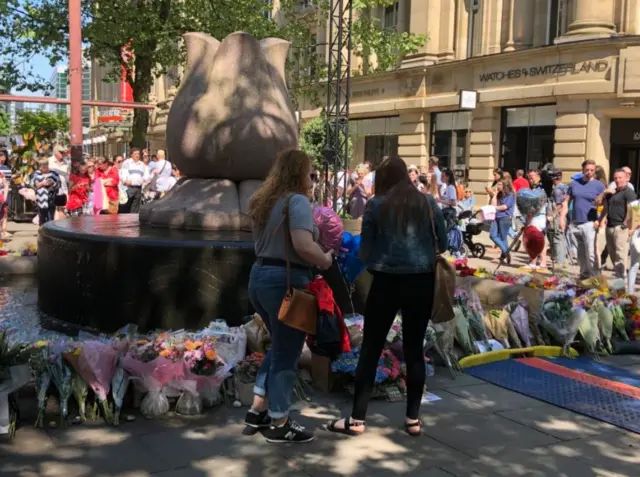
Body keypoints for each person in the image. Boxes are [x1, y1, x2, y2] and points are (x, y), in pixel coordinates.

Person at [327, 156, 446, 438]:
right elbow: (442, 240)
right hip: (421, 282)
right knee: (415, 350)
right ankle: (413, 419)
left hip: (386, 282)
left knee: (371, 349)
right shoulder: (428, 203)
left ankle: (357, 419)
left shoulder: (377, 205)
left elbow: (365, 252)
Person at [246, 149, 333, 444]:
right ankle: (280, 421)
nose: (312, 179)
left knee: (280, 346)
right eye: (310, 173)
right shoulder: (296, 201)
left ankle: (257, 408)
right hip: (286, 283)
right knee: (288, 354)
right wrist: (325, 260)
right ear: (299, 174)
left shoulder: (263, 200)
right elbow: (303, 245)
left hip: (259, 278)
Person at [562, 160, 605, 279]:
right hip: (575, 223)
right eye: (587, 170)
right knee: (580, 254)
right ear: (583, 170)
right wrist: (562, 218)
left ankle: (595, 277)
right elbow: (566, 201)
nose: (589, 172)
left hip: (590, 223)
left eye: (592, 170)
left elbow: (604, 205)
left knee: (591, 253)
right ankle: (584, 276)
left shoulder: (599, 186)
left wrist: (600, 220)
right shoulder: (574, 184)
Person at [601, 168, 636, 280]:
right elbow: (601, 206)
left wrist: (627, 225)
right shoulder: (611, 192)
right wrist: (604, 193)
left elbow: (635, 210)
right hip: (609, 226)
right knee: (613, 255)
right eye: (615, 178)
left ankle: (621, 281)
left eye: (620, 177)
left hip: (620, 227)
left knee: (621, 255)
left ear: (626, 178)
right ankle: (618, 279)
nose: (617, 180)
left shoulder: (629, 192)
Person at [489, 176, 515, 263]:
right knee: (492, 235)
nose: (498, 186)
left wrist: (495, 207)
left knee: (503, 238)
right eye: (498, 184)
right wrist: (495, 194)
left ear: (505, 184)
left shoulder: (511, 194)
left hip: (505, 218)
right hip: (496, 217)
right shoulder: (500, 193)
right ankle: (505, 251)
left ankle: (504, 256)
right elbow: (493, 204)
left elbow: (505, 206)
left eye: (500, 184)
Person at [547, 169, 569, 267]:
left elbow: (559, 205)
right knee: (561, 237)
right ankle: (563, 259)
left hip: (557, 217)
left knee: (557, 238)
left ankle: (560, 261)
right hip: (563, 216)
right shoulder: (565, 187)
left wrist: (552, 215)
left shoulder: (557, 190)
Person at [31, 158, 60, 226]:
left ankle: (50, 232)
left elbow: (58, 184)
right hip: (40, 199)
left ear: (48, 164)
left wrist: (52, 183)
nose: (43, 166)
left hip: (51, 198)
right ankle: (42, 231)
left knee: (50, 217)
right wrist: (43, 183)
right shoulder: (36, 174)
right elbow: (33, 185)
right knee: (42, 217)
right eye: (41, 164)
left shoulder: (53, 173)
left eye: (45, 164)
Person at [120, 148, 149, 213]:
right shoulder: (127, 163)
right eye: (135, 154)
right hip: (129, 188)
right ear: (131, 155)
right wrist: (125, 181)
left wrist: (144, 181)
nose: (137, 155)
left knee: (135, 207)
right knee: (127, 205)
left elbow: (145, 176)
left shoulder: (142, 164)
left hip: (138, 188)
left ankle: (133, 220)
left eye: (138, 154)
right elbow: (123, 174)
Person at [48, 144, 70, 220]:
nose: (63, 154)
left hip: (63, 190)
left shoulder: (66, 162)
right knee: (52, 211)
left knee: (63, 210)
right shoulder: (49, 161)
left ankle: (60, 229)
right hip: (52, 191)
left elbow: (67, 176)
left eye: (64, 152)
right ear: (55, 152)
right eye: (61, 152)